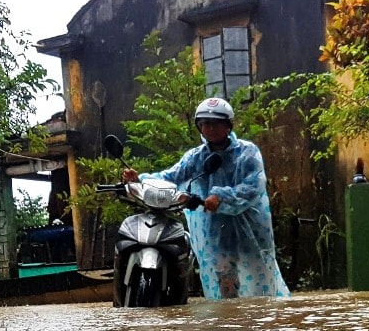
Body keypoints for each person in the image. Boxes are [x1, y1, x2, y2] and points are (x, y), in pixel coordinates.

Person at [122, 97, 290, 300]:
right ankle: (230, 326)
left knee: (260, 285)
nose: (211, 129)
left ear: (229, 125)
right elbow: (171, 177)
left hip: (249, 231)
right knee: (225, 287)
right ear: (199, 127)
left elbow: (253, 186)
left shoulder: (248, 152)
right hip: (214, 233)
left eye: (217, 123)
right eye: (206, 124)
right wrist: (140, 179)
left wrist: (221, 196)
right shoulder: (195, 157)